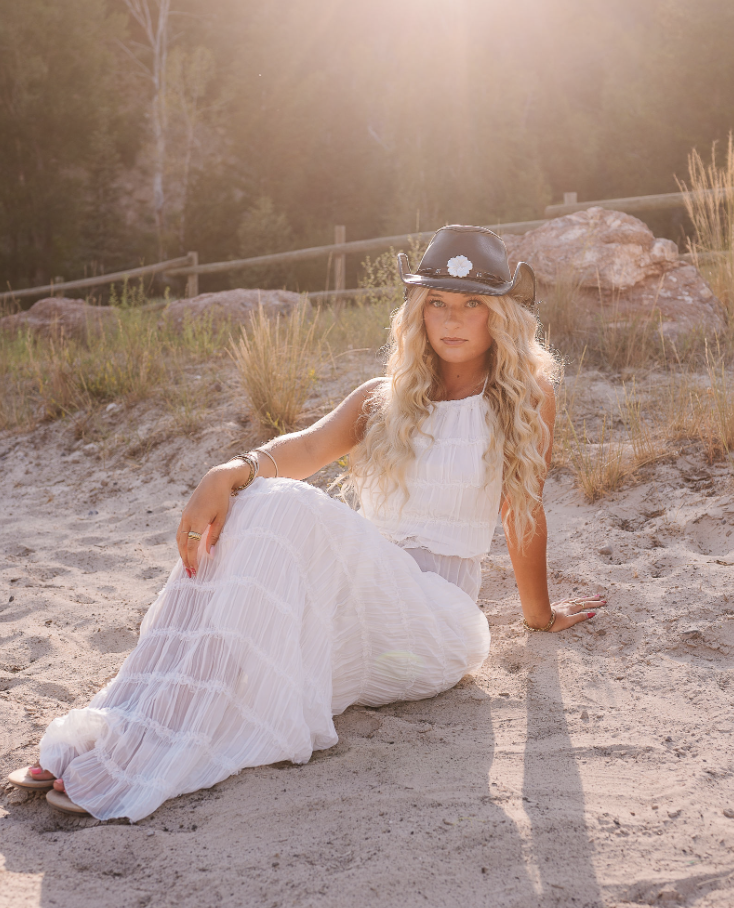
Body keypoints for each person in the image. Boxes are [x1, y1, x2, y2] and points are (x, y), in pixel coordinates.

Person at [9, 225, 605, 820]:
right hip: (358, 607)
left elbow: (522, 509)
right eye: (438, 303)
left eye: (472, 303)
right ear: (418, 313)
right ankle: (125, 719)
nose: (453, 319)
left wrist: (539, 616)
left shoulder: (526, 394)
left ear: (498, 314)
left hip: (434, 627)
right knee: (261, 501)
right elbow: (307, 447)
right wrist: (230, 470)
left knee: (286, 504)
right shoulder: (384, 397)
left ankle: (152, 743)